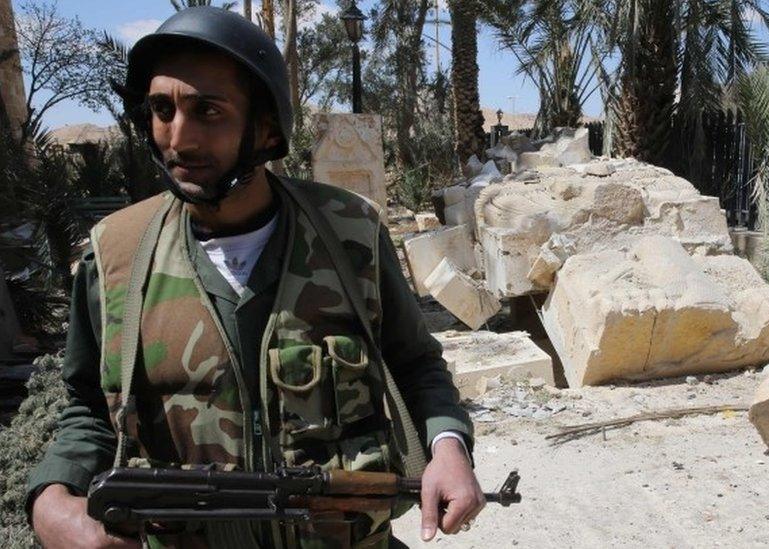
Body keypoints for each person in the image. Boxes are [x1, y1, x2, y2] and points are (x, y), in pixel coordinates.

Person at [25, 7, 482, 548]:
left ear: (266, 129)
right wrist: (51, 499)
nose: (178, 138)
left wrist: (449, 446)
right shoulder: (116, 255)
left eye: (207, 111)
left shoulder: (349, 235)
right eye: (161, 109)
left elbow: (416, 364)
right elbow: (86, 407)